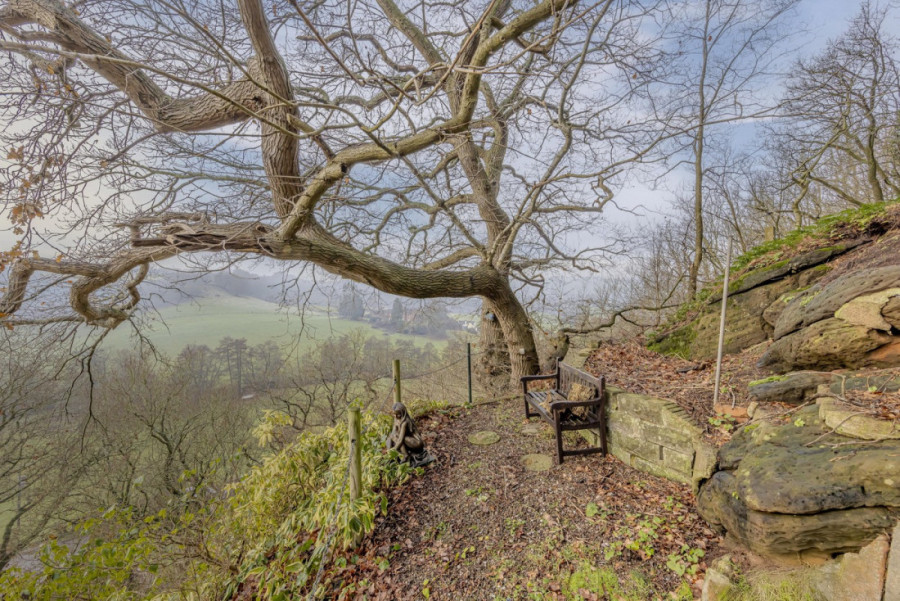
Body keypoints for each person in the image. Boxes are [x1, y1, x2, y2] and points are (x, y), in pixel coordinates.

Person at [386, 402, 435, 467]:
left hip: (416, 443)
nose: (396, 416)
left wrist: (393, 451)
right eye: (394, 414)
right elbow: (392, 434)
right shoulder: (397, 419)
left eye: (398, 415)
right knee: (393, 436)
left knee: (398, 437)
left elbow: (400, 440)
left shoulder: (405, 422)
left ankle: (406, 455)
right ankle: (404, 454)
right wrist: (389, 452)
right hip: (407, 440)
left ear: (403, 413)